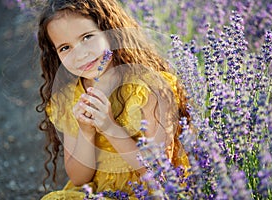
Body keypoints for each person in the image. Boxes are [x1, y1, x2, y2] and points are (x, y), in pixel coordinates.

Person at [36, 0, 190, 199]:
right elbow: (79, 178)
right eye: (65, 47)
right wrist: (86, 131)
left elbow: (159, 172)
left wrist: (109, 127)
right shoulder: (69, 97)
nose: (81, 54)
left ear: (110, 31)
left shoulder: (149, 88)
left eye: (87, 37)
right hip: (100, 192)